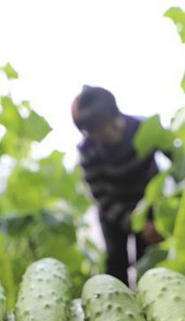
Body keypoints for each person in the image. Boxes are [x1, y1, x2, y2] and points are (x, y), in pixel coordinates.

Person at [71, 85, 164, 286]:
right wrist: (136, 224)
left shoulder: (143, 128)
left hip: (148, 206)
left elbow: (178, 157)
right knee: (116, 263)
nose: (105, 134)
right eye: (96, 132)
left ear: (115, 115)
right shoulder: (87, 150)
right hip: (114, 214)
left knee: (149, 264)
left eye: (107, 127)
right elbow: (102, 198)